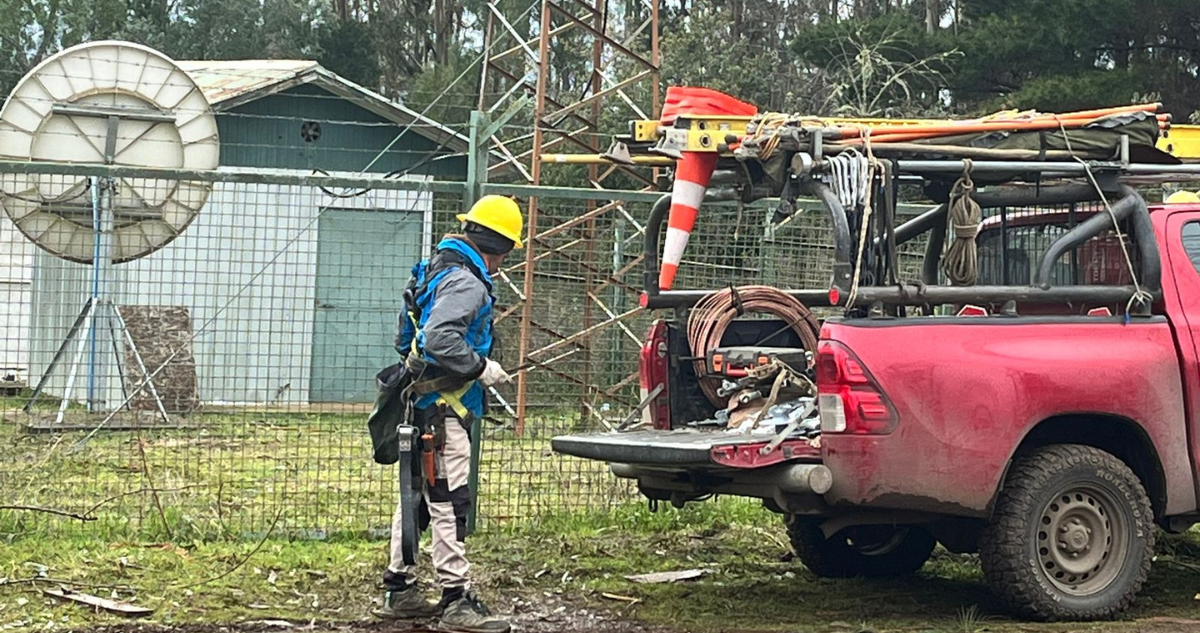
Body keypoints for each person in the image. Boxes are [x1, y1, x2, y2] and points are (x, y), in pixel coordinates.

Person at [373, 195, 523, 633]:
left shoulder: (433, 270)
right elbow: (440, 338)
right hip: (443, 412)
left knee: (415, 496)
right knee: (449, 500)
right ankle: (455, 598)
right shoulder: (469, 283)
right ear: (501, 247)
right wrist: (479, 368)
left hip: (418, 405)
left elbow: (408, 341)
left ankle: (398, 588)